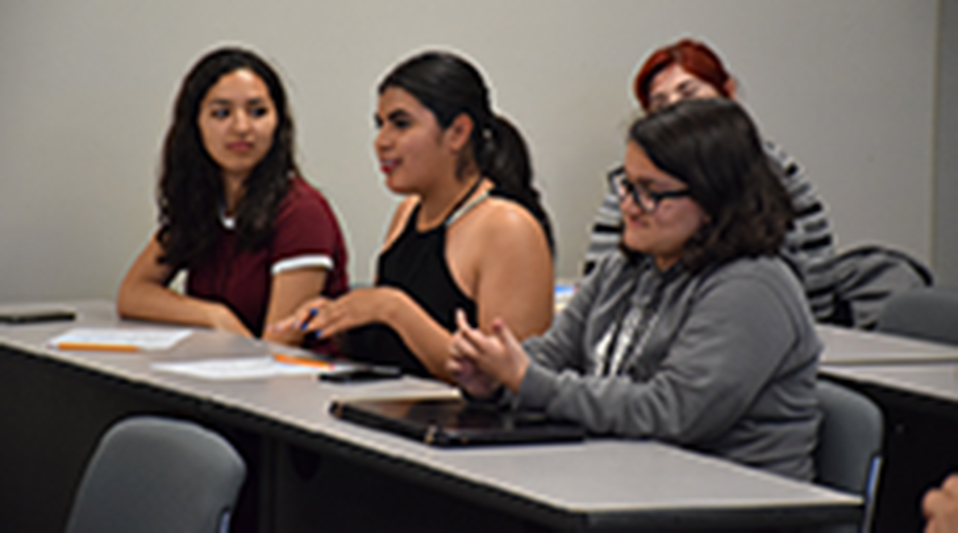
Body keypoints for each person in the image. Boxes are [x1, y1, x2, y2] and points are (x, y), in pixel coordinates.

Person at [450, 98, 822, 481]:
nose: (629, 205)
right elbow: (553, 357)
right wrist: (495, 380)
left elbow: (672, 412)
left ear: (714, 199)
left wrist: (529, 382)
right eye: (627, 185)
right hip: (635, 481)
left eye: (652, 192)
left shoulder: (752, 287)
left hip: (733, 497)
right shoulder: (624, 268)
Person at [274, 50, 554, 380]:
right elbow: (393, 348)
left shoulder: (507, 227)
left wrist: (392, 308)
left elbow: (506, 380)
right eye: (379, 125)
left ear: (458, 132)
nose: (382, 142)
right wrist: (339, 320)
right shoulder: (407, 212)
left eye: (401, 124)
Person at [584, 38, 838, 320]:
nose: (678, 109)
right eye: (660, 104)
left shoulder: (772, 172)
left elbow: (816, 273)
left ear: (727, 92)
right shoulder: (635, 179)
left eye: (689, 93)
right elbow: (598, 275)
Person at [116, 46, 348, 340]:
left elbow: (279, 346)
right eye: (222, 113)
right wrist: (214, 315)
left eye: (258, 112)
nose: (241, 127)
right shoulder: (203, 202)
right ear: (195, 125)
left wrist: (229, 333)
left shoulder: (302, 212)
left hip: (294, 370)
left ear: (278, 123)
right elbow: (133, 293)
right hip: (223, 367)